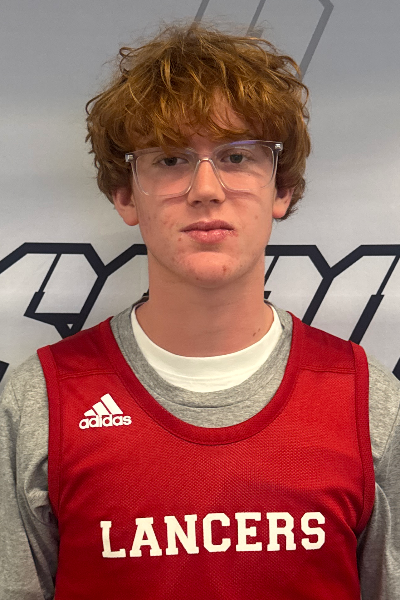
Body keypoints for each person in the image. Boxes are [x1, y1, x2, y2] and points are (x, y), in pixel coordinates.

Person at [0, 22, 399, 600]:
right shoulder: (39, 400)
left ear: (281, 188)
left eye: (237, 156)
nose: (205, 188)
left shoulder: (367, 401)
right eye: (170, 159)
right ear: (125, 194)